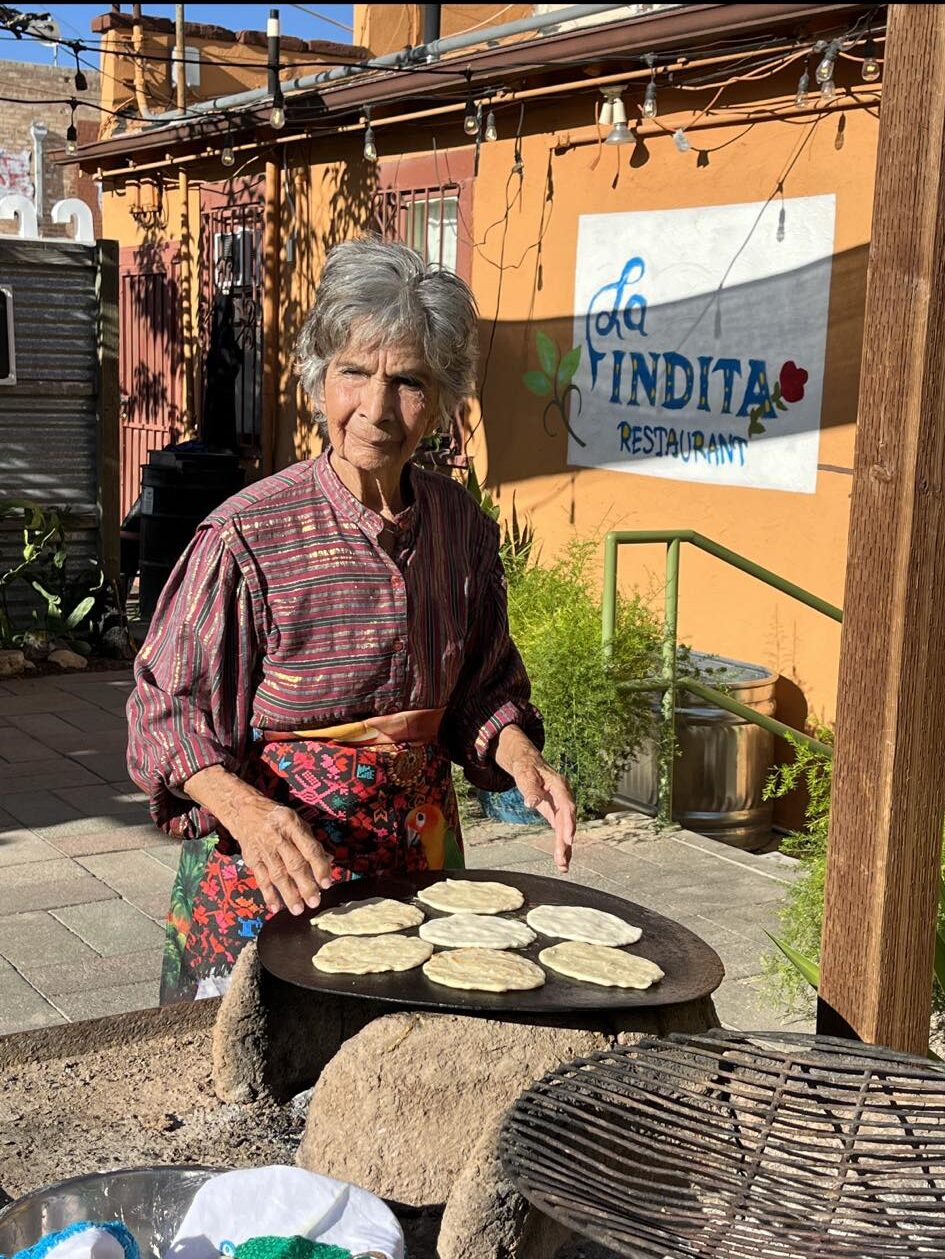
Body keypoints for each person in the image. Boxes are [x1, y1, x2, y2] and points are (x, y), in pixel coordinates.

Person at [126, 237, 576, 1003]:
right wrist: (249, 813)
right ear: (317, 380)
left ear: (440, 398)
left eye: (407, 381)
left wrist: (520, 755)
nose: (375, 409)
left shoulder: (460, 527)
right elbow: (165, 712)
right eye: (354, 373)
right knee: (259, 1086)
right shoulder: (246, 536)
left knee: (399, 1070)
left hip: (418, 872)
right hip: (274, 870)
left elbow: (481, 686)